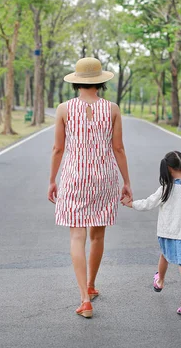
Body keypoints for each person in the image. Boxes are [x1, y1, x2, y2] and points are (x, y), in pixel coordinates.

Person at [48, 57, 132, 319]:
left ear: (76, 82)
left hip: (74, 177)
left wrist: (52, 179)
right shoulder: (113, 109)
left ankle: (84, 299)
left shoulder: (64, 109)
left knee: (77, 237)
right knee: (97, 236)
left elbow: (58, 148)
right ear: (101, 81)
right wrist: (126, 181)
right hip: (104, 177)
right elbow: (118, 148)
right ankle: (92, 284)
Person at [122, 151, 181, 317]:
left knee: (165, 255)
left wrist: (131, 204)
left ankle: (160, 280)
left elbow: (148, 203)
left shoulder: (166, 188)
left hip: (167, 232)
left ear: (168, 168)